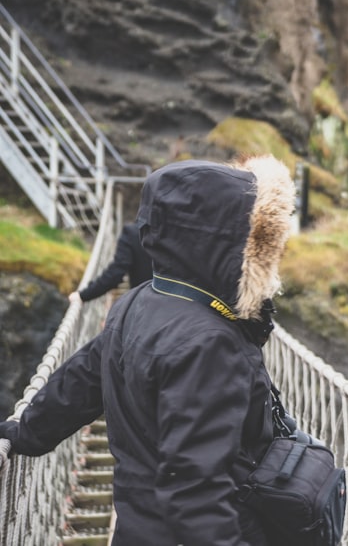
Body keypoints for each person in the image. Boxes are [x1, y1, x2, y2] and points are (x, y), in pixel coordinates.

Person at [0, 155, 296, 545]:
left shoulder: (138, 302)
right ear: (221, 241)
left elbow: (82, 380)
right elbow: (196, 493)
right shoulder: (209, 343)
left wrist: (25, 432)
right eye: (257, 241)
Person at [69, 222, 153, 305]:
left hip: (145, 306)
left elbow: (116, 273)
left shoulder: (133, 233)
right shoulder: (165, 233)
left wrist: (83, 295)